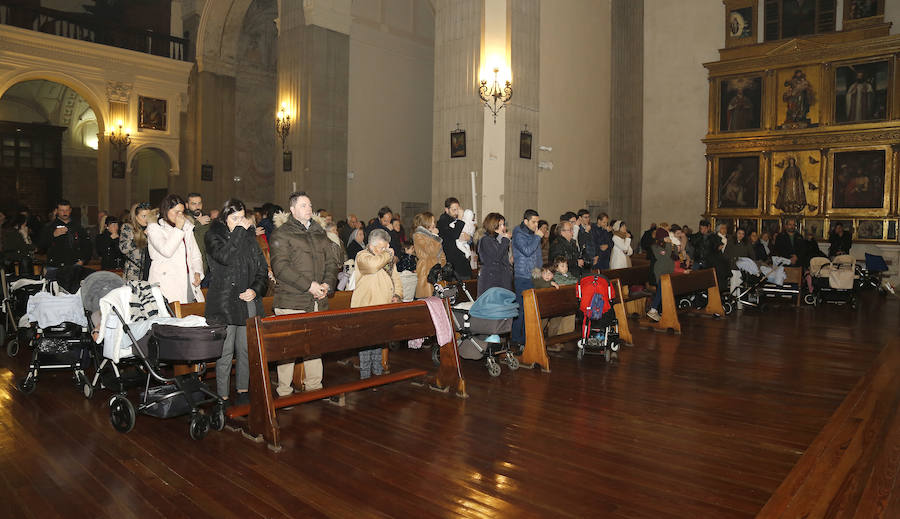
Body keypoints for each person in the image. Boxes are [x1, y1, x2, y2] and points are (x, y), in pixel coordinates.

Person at [269, 191, 339, 396]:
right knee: (288, 349)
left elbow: (331, 262)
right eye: (303, 205)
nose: (309, 208)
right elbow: (280, 267)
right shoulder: (282, 233)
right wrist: (309, 285)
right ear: (292, 209)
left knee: (314, 347)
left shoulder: (319, 232)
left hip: (316, 299)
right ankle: (284, 391)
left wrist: (327, 284)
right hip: (292, 299)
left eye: (309, 205)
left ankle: (314, 388)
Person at [204, 199, 268, 406]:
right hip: (224, 301)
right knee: (225, 351)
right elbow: (226, 257)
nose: (240, 222)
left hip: (246, 299)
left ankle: (242, 390)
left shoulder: (249, 238)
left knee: (245, 349)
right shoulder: (213, 235)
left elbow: (262, 269)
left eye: (242, 218)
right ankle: (222, 396)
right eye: (234, 218)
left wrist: (255, 289)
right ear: (224, 218)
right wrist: (241, 230)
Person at [350, 228, 402, 380]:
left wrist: (397, 294)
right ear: (372, 246)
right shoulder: (362, 256)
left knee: (379, 343)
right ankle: (365, 377)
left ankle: (378, 376)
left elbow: (396, 278)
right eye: (382, 247)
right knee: (366, 344)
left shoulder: (386, 257)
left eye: (387, 247)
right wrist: (388, 254)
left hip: (383, 306)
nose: (386, 250)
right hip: (365, 307)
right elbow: (373, 266)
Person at [146, 194, 205, 304]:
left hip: (188, 278)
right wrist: (178, 228)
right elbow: (166, 251)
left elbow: (195, 254)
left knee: (191, 310)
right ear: (166, 210)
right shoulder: (155, 228)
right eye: (176, 212)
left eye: (181, 212)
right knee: (172, 311)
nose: (179, 215)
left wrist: (197, 271)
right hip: (167, 281)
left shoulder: (187, 226)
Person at [511, 209, 543, 347]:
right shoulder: (518, 233)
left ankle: (528, 339)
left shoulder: (534, 235)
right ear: (526, 221)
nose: (536, 225)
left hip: (534, 276)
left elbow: (538, 255)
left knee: (531, 310)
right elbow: (527, 251)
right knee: (522, 310)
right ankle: (516, 339)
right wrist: (537, 237)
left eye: (537, 222)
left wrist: (540, 271)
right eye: (533, 222)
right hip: (522, 276)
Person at [39, 199, 92, 268]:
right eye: (62, 210)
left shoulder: (77, 226)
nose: (65, 212)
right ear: (57, 211)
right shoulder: (49, 227)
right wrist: (53, 235)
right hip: (55, 265)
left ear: (70, 210)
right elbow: (41, 246)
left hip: (75, 264)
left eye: (67, 210)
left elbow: (87, 245)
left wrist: (82, 260)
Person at [476, 212, 513, 297]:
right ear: (493, 225)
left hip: (501, 280)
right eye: (500, 225)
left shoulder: (498, 239)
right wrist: (505, 240)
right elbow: (496, 257)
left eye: (503, 224)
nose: (503, 228)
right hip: (491, 281)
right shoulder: (485, 240)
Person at [437, 197, 472, 280]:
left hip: (463, 262)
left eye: (458, 209)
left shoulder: (459, 219)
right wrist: (460, 219)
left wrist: (469, 238)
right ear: (446, 210)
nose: (456, 212)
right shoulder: (443, 221)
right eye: (454, 210)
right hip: (452, 264)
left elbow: (468, 233)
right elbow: (455, 235)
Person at [412, 212, 445, 298]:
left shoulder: (432, 237)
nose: (434, 224)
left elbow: (441, 253)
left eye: (434, 222)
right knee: (429, 298)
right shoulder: (418, 235)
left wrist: (443, 266)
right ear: (426, 222)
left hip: (437, 271)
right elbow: (431, 251)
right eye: (431, 221)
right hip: (426, 270)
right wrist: (435, 236)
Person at [646, 228, 674, 323]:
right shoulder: (655, 247)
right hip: (660, 272)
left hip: (666, 271)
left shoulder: (664, 245)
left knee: (661, 291)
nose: (668, 238)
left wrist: (673, 246)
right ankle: (653, 309)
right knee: (661, 291)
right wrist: (669, 244)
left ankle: (656, 310)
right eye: (666, 237)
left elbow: (672, 255)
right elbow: (666, 255)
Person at [119, 203, 151, 282]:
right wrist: (143, 236)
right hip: (134, 271)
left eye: (149, 216)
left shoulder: (152, 227)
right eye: (144, 216)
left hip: (150, 269)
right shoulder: (128, 227)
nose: (147, 219)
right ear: (136, 216)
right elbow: (123, 248)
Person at [186, 192, 212, 273]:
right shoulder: (183, 220)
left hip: (207, 265)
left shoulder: (208, 220)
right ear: (187, 205)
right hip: (191, 265)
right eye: (193, 204)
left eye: (199, 203)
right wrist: (197, 223)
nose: (197, 207)